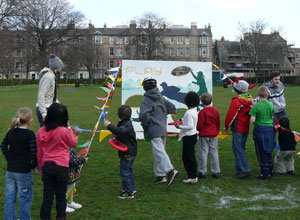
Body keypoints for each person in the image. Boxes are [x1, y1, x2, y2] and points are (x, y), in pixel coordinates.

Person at [37, 103, 77, 220]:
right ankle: (61, 217)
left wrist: (40, 169)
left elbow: (39, 154)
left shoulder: (41, 131)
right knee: (60, 196)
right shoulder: (63, 131)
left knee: (47, 197)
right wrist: (69, 127)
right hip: (61, 167)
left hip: (47, 166)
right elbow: (73, 142)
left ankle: (45, 217)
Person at [139, 78, 179, 186]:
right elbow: (172, 107)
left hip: (153, 129)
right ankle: (160, 175)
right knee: (160, 152)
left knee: (159, 152)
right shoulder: (161, 98)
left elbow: (143, 116)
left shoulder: (146, 101)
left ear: (144, 88)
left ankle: (170, 171)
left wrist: (145, 125)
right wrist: (172, 111)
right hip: (162, 128)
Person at [1, 107, 37, 220]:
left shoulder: (11, 132)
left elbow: (3, 146)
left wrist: (9, 159)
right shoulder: (30, 134)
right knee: (25, 199)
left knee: (10, 197)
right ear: (30, 120)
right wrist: (32, 165)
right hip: (23, 172)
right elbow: (34, 153)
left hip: (11, 171)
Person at [104, 104, 138, 199]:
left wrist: (108, 125)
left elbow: (120, 132)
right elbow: (120, 133)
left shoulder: (126, 125)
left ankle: (128, 192)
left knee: (124, 172)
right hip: (130, 151)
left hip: (128, 153)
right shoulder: (125, 123)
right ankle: (131, 188)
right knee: (129, 170)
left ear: (119, 114)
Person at [224, 77, 255, 179]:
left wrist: (226, 126)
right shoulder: (251, 101)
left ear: (237, 91)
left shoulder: (236, 101)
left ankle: (244, 169)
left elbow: (231, 115)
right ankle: (239, 170)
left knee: (237, 149)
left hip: (238, 128)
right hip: (245, 128)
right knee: (240, 148)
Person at [174, 91, 200, 183]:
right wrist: (181, 120)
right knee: (188, 156)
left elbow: (190, 126)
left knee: (188, 157)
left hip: (189, 136)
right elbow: (189, 121)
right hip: (192, 135)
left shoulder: (189, 112)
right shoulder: (193, 110)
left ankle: (192, 176)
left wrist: (179, 126)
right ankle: (191, 175)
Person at [250, 86, 274, 179]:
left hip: (259, 128)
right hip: (269, 128)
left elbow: (252, 120)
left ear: (258, 94)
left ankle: (265, 172)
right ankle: (271, 168)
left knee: (261, 150)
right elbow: (272, 116)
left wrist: (253, 109)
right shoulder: (271, 104)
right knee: (268, 149)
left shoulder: (256, 105)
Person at [197, 93, 221, 179]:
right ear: (212, 100)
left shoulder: (202, 112)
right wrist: (217, 131)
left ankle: (202, 171)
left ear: (202, 102)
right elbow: (218, 122)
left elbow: (199, 124)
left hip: (204, 134)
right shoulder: (215, 110)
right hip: (213, 134)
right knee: (214, 152)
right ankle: (216, 171)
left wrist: (198, 129)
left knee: (203, 153)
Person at [36, 54, 64, 127]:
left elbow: (50, 93)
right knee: (45, 135)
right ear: (56, 67)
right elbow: (41, 94)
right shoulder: (48, 77)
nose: (61, 68)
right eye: (60, 66)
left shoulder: (51, 76)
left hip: (48, 107)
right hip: (44, 108)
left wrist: (56, 102)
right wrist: (44, 113)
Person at [66, 128, 88, 212]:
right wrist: (83, 160)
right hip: (68, 172)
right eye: (75, 137)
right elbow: (71, 161)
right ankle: (63, 205)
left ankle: (70, 202)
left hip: (72, 172)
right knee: (67, 189)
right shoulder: (68, 148)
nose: (77, 139)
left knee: (71, 187)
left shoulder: (71, 147)